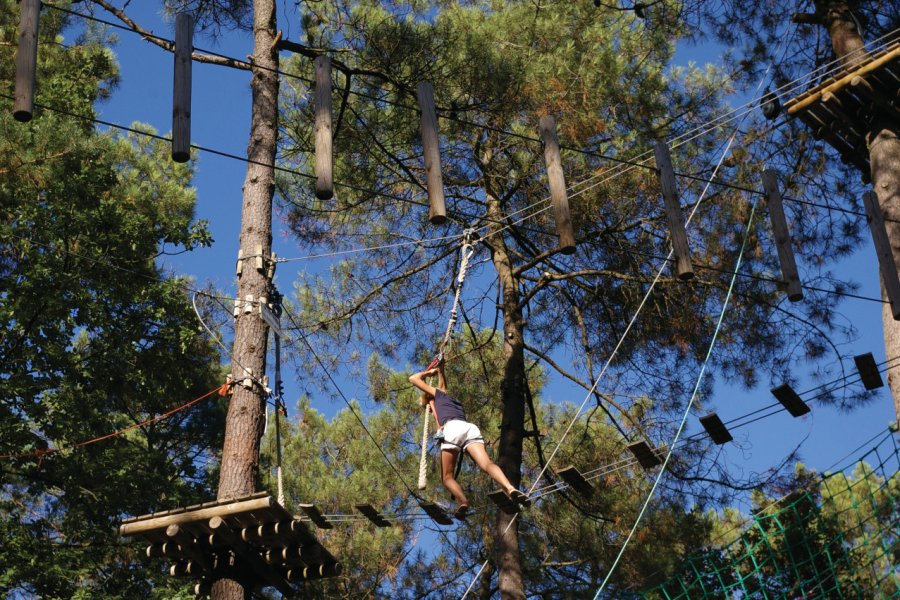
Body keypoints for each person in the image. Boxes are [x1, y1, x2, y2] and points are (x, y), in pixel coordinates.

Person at [409, 360, 530, 519]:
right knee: (487, 464)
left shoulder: (436, 395)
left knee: (447, 477)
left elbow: (413, 378)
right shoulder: (446, 397)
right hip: (469, 428)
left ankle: (463, 502)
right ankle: (509, 487)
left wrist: (428, 373)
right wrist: (441, 369)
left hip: (452, 429)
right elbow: (443, 383)